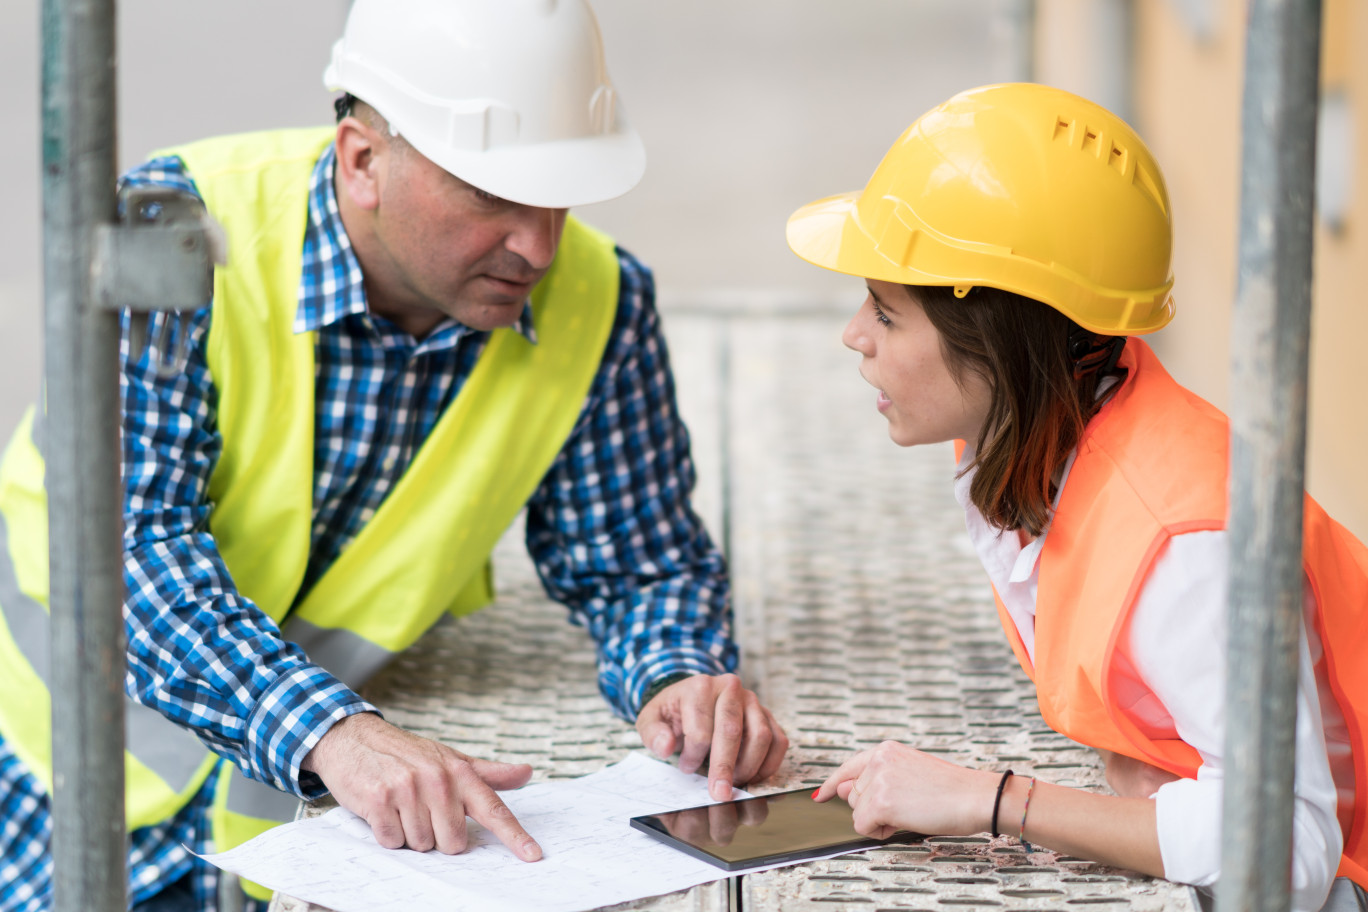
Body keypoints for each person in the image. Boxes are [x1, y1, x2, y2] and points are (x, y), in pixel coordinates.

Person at [0, 2, 788, 910]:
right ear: (363, 159)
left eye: (560, 196)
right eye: (494, 196)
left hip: (279, 819)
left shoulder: (601, 302)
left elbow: (639, 561)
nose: (538, 246)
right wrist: (336, 734)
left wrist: (683, 677)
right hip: (51, 778)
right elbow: (129, 549)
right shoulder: (173, 236)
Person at [793, 83, 1368, 911]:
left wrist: (996, 801)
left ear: (996, 340)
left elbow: (1285, 848)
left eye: (886, 313)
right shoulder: (1018, 442)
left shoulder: (1182, 542)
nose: (855, 335)